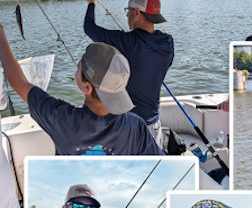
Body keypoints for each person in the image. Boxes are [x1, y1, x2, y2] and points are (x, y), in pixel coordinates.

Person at [0, 25, 163, 155]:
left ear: (87, 87)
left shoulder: (61, 118)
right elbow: (159, 165)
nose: (76, 69)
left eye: (79, 67)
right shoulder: (136, 125)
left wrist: (1, 37)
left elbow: (18, 82)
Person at [84, 0, 175, 148]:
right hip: (153, 124)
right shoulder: (168, 43)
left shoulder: (127, 42)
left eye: (129, 11)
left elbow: (89, 28)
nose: (127, 16)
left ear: (137, 13)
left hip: (129, 126)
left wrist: (91, 3)